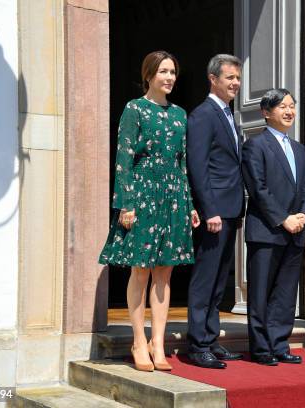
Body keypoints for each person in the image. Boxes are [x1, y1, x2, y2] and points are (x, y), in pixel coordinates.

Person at [99, 51, 200, 372]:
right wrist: (124, 204)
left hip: (174, 196)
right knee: (140, 270)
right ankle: (138, 341)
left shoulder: (181, 114)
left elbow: (183, 162)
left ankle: (158, 342)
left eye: (173, 72)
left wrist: (190, 203)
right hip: (142, 194)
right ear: (149, 75)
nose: (169, 78)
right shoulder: (134, 109)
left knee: (165, 271)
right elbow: (124, 159)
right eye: (163, 72)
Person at [241, 88, 305, 366]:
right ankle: (261, 349)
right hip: (267, 230)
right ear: (265, 112)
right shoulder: (255, 145)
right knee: (260, 293)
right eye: (283, 106)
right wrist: (284, 218)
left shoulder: (298, 149)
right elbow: (257, 188)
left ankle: (279, 344)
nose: (289, 111)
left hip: (296, 231)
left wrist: (303, 216)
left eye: (292, 106)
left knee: (285, 293)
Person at [186, 54, 245, 369]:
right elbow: (198, 167)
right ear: (213, 79)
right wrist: (208, 210)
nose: (236, 83)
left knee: (220, 279)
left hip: (231, 208)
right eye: (230, 77)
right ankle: (197, 345)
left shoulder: (228, 114)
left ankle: (210, 338)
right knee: (205, 278)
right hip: (215, 212)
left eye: (238, 78)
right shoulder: (203, 115)